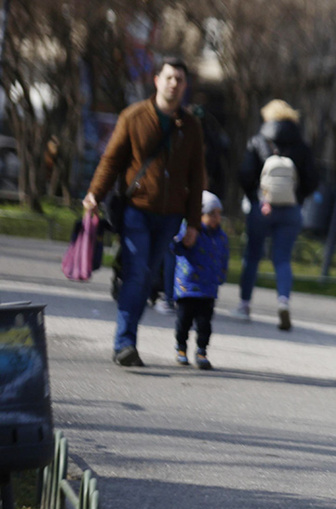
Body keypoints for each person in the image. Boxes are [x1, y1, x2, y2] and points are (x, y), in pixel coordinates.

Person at [84, 57, 205, 367]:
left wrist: (193, 223)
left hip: (170, 216)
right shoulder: (134, 116)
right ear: (156, 80)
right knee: (138, 276)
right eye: (169, 77)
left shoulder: (190, 126)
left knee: (148, 278)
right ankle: (125, 343)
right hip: (136, 208)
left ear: (184, 85)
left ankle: (128, 334)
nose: (174, 83)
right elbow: (111, 160)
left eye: (179, 79)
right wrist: (95, 193)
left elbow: (196, 175)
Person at [234, 99, 319, 331]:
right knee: (282, 259)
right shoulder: (301, 145)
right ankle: (283, 302)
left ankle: (244, 305)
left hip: (262, 208)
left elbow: (245, 174)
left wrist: (257, 198)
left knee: (252, 257)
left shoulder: (258, 140)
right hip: (290, 211)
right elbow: (312, 180)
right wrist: (296, 197)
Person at [172, 191, 229, 370]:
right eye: (212, 213)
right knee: (184, 321)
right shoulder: (191, 231)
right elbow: (177, 248)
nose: (216, 218)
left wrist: (221, 275)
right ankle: (181, 348)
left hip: (208, 289)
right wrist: (179, 240)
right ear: (200, 214)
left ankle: (202, 351)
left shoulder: (221, 237)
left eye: (219, 214)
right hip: (188, 287)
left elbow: (224, 258)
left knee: (205, 324)